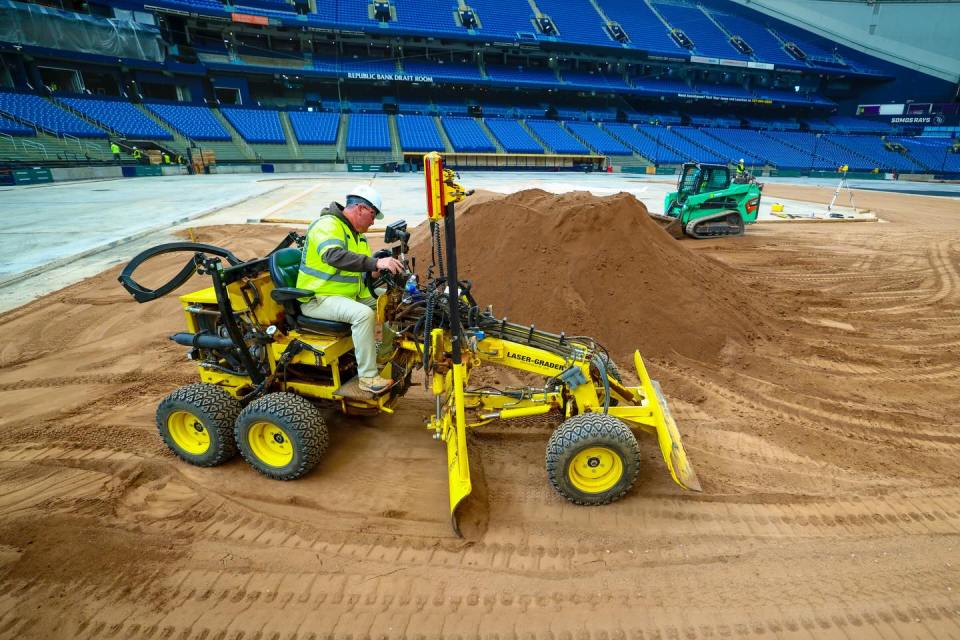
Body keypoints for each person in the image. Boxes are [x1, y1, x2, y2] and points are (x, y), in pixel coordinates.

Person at [297, 185, 405, 394]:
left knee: (394, 300)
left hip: (348, 295)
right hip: (318, 298)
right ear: (360, 208)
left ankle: (384, 353)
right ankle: (368, 377)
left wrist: (376, 271)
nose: (373, 222)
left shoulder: (358, 235)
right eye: (373, 215)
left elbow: (359, 270)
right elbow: (333, 256)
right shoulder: (328, 224)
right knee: (363, 315)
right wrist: (375, 263)